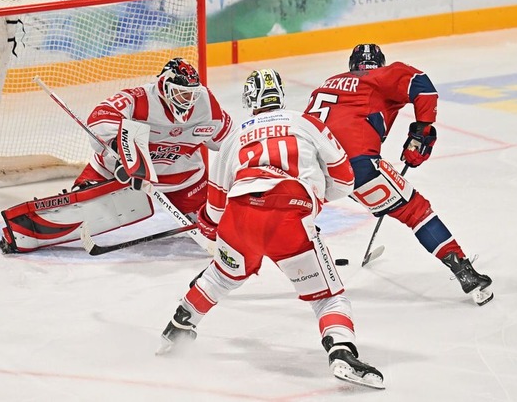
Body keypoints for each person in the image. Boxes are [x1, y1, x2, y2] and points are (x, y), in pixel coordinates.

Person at [156, 69, 385, 389]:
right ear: (280, 93)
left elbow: (216, 206)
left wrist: (209, 226)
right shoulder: (307, 123)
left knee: (222, 274)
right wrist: (315, 198)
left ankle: (179, 326)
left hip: (241, 214)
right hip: (291, 214)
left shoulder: (235, 136)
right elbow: (345, 180)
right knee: (328, 299)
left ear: (250, 98)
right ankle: (342, 353)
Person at [304, 43, 493, 306]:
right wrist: (422, 132)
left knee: (296, 217)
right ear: (378, 64)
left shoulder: (328, 84)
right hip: (356, 166)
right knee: (415, 210)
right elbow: (422, 85)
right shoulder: (379, 76)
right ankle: (463, 271)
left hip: (309, 166)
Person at [0, 57, 233, 253]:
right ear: (163, 85)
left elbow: (230, 142)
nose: (188, 101)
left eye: (191, 95)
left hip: (184, 179)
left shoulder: (207, 105)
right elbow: (100, 117)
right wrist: (122, 152)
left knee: (223, 228)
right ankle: (21, 232)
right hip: (119, 174)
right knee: (78, 210)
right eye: (181, 94)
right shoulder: (138, 98)